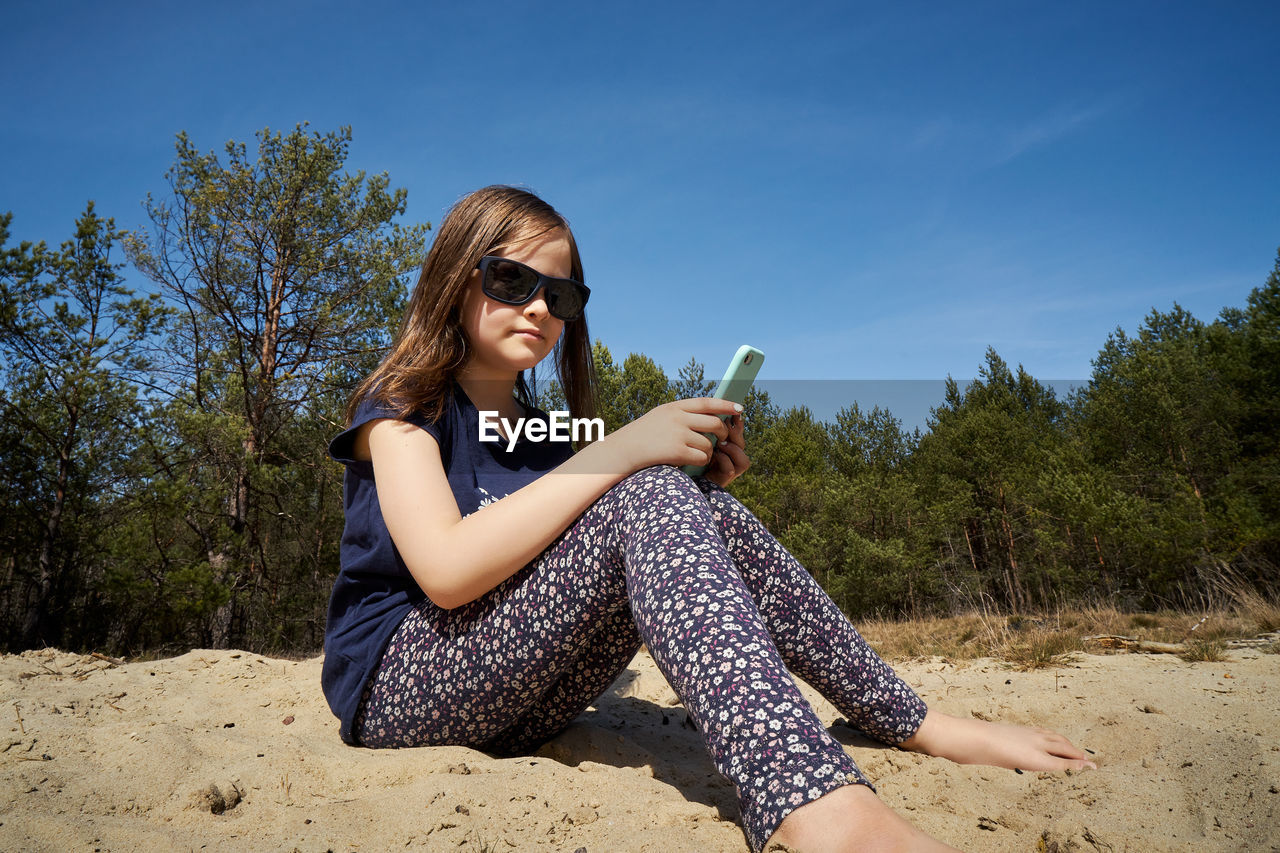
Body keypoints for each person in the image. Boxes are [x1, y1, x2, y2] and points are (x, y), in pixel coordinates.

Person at [321, 185, 1096, 853]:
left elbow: (564, 548)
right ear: (457, 275)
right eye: (511, 278)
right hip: (398, 681)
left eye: (560, 296)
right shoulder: (400, 409)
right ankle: (813, 801)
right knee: (644, 485)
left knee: (681, 495)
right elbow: (449, 573)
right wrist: (625, 453)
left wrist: (683, 484)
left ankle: (913, 719)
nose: (539, 307)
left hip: (512, 700)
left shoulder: (543, 431)